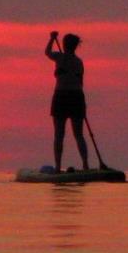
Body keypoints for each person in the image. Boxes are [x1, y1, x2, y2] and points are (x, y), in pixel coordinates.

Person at [45, 30, 89, 171]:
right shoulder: (78, 62)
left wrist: (52, 38)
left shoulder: (60, 57)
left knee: (59, 135)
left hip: (63, 97)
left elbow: (47, 52)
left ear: (65, 45)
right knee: (78, 135)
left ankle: (58, 167)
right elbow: (80, 82)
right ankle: (85, 164)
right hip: (76, 97)